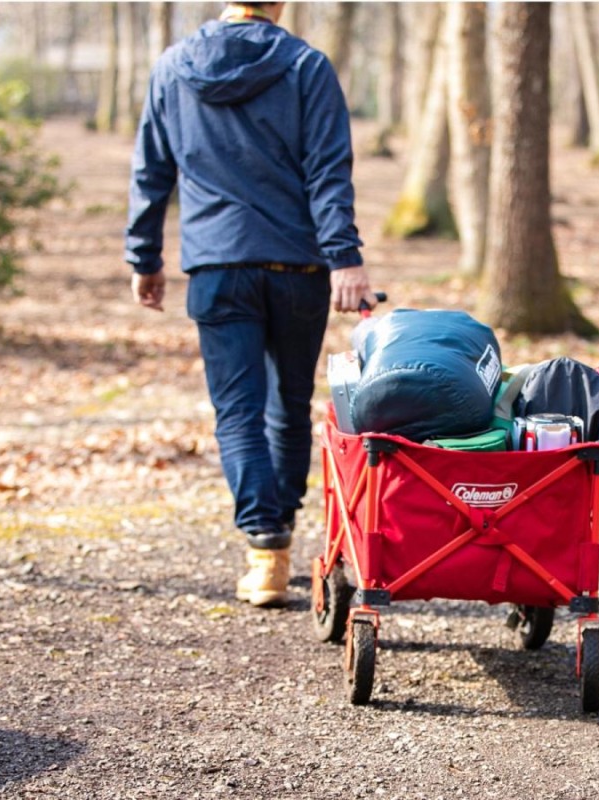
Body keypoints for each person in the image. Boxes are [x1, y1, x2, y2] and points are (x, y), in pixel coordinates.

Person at [125, 1, 374, 608]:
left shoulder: (173, 66)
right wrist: (344, 256)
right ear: (280, 4)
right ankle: (276, 537)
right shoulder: (306, 65)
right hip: (298, 266)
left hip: (217, 266)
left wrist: (145, 256)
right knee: (287, 404)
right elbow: (328, 170)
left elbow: (152, 171)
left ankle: (265, 546)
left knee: (238, 410)